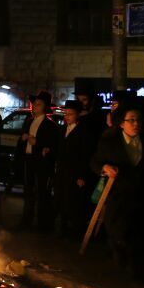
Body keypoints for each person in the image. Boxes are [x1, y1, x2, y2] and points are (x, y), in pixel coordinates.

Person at [91, 106, 144, 288]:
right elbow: (95, 161)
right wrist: (105, 168)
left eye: (138, 120)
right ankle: (118, 251)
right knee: (118, 233)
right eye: (131, 120)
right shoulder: (110, 142)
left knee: (140, 240)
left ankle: (140, 279)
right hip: (119, 197)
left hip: (141, 197)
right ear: (122, 124)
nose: (136, 124)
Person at [17, 91, 61, 231]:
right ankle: (26, 221)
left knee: (42, 192)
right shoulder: (29, 121)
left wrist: (38, 143)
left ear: (45, 107)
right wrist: (23, 139)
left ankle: (43, 223)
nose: (35, 107)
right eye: (34, 104)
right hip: (29, 159)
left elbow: (52, 145)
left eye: (38, 104)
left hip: (41, 162)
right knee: (28, 191)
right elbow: (22, 140)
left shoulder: (50, 125)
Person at [55, 99, 98, 239]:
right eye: (65, 114)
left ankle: (76, 231)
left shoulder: (84, 132)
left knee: (75, 202)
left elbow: (86, 156)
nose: (67, 117)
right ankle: (63, 228)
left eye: (70, 114)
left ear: (78, 115)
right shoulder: (62, 129)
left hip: (75, 173)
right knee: (62, 199)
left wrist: (82, 175)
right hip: (62, 171)